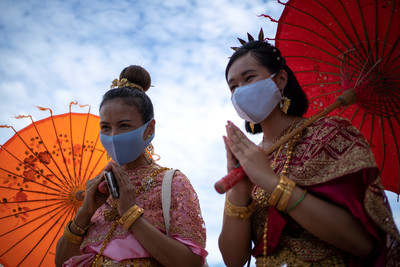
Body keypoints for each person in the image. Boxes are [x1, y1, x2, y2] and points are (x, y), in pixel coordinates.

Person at [218, 35, 400, 266]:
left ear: (280, 80)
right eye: (233, 87)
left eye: (249, 78)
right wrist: (239, 191)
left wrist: (272, 183)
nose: (240, 92)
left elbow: (362, 243)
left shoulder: (329, 134)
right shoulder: (249, 158)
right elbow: (234, 260)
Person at [55, 65, 208, 267]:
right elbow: (61, 262)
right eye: (106, 127)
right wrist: (85, 212)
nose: (114, 136)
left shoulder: (172, 183)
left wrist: (129, 213)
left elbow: (191, 263)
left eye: (124, 126)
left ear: (149, 129)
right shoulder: (98, 190)